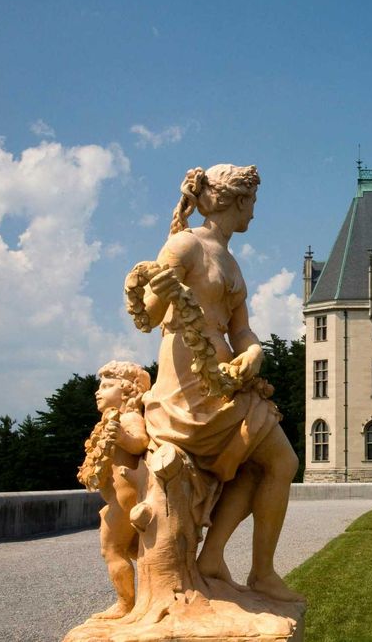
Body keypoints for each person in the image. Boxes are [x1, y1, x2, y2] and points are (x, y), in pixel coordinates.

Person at [140, 164, 301, 602]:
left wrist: (253, 351)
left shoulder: (229, 259)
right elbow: (149, 315)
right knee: (280, 462)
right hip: (189, 382)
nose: (254, 214)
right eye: (252, 203)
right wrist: (159, 286)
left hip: (226, 377)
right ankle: (255, 571)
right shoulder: (184, 244)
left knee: (273, 463)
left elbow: (241, 329)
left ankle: (224, 561)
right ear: (237, 201)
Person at [77, 361, 151, 619]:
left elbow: (140, 443)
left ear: (128, 391)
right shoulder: (113, 421)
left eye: (107, 386)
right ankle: (145, 598)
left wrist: (121, 437)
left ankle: (125, 604)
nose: (98, 391)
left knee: (111, 549)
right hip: (119, 498)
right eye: (100, 386)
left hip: (124, 500)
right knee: (135, 551)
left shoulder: (129, 417)